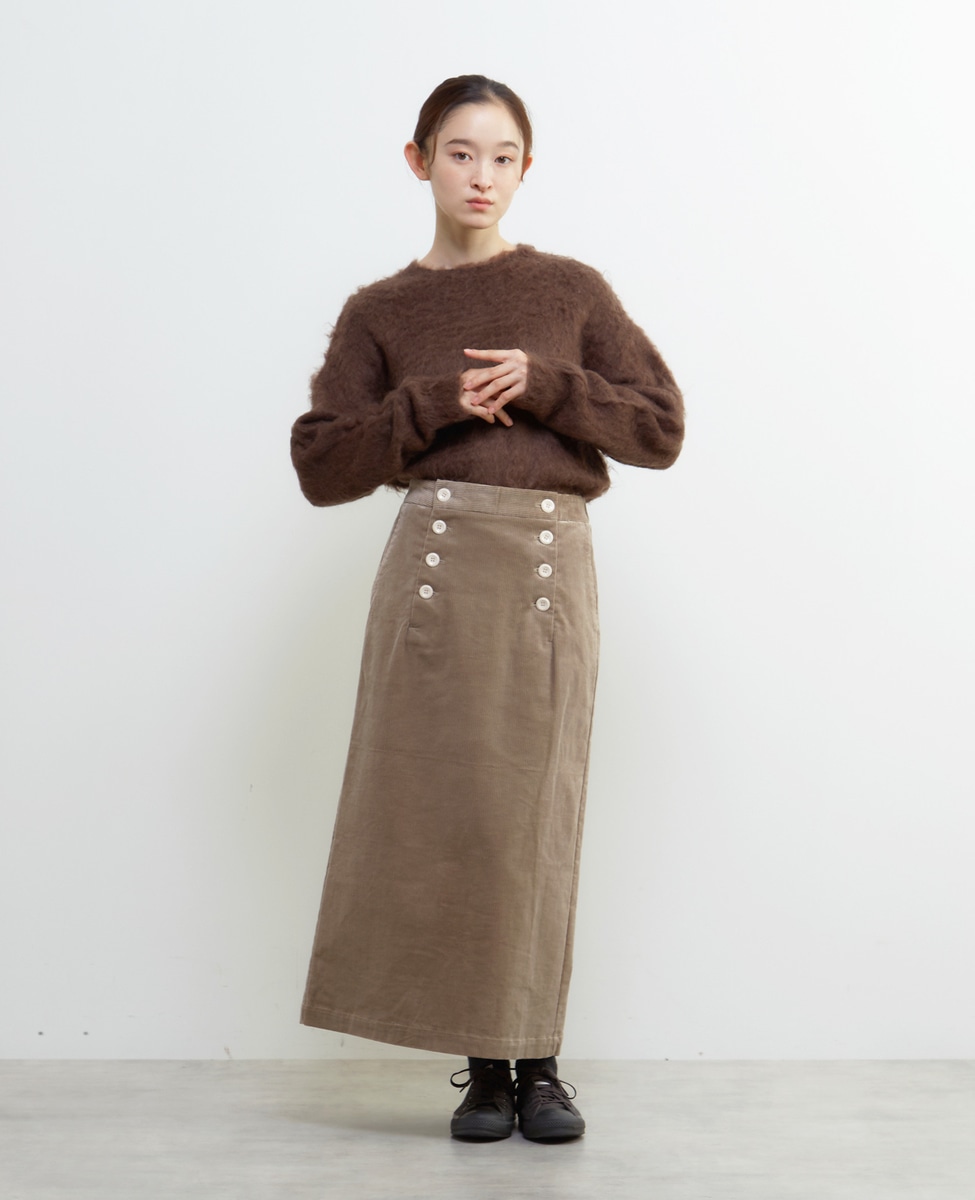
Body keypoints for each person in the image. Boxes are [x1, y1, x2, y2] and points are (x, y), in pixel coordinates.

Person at [290, 74, 684, 1143]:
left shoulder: (569, 291)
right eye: (460, 153)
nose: (482, 176)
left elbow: (659, 427)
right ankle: (485, 1073)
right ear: (418, 160)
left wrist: (551, 385)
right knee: (446, 812)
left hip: (547, 569)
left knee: (534, 814)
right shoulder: (379, 313)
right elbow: (321, 465)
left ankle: (539, 1063)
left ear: (526, 168)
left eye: (503, 156)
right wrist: (427, 405)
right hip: (434, 570)